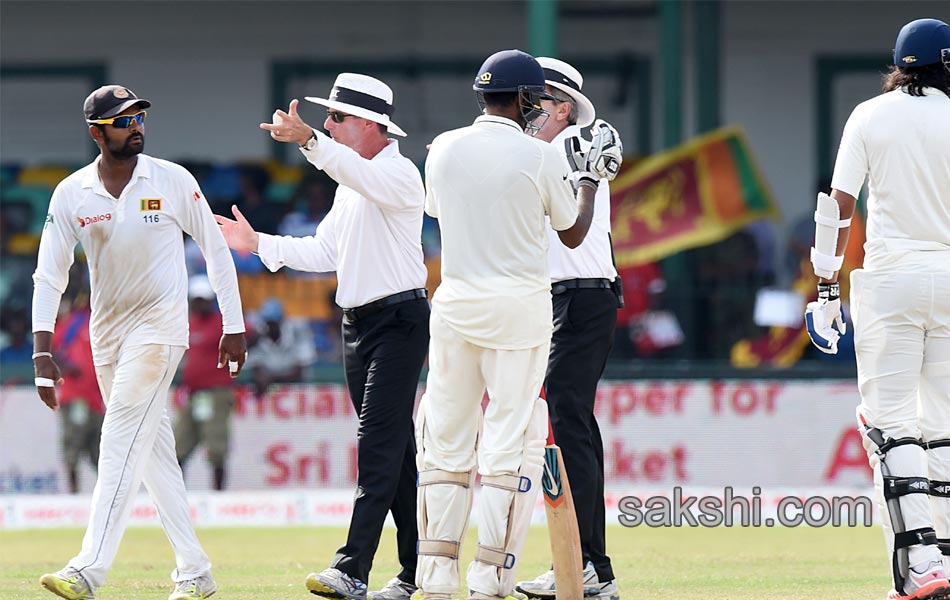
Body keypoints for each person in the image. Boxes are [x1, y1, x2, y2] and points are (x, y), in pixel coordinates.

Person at [215, 73, 429, 600]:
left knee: (379, 444)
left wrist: (311, 140)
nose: (329, 126)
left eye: (337, 118)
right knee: (395, 449)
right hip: (359, 324)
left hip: (400, 321)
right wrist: (257, 242)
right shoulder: (353, 184)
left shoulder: (398, 175)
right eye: (328, 119)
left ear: (371, 125)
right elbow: (325, 253)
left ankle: (352, 567)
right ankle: (415, 571)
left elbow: (351, 171)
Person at [416, 49, 619, 600]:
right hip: (522, 310)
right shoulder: (542, 157)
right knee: (508, 444)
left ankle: (434, 579)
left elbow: (437, 209)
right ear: (528, 99)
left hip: (457, 307)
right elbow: (571, 232)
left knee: (445, 445)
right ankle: (490, 578)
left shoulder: (442, 151)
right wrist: (590, 183)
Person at [33, 84, 247, 600]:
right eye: (123, 120)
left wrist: (233, 324)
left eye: (138, 117)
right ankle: (196, 572)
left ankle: (87, 569)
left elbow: (216, 252)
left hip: (159, 330)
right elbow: (48, 274)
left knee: (120, 435)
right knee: (152, 455)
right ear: (96, 132)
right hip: (107, 335)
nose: (136, 126)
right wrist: (42, 350)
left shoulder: (172, 180)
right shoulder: (73, 193)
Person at [803, 19, 950, 600]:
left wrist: (825, 289)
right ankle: (943, 557)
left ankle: (921, 567)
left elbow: (836, 207)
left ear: (900, 66)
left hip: (892, 279)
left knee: (890, 425)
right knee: (942, 425)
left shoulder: (869, 114)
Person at [515, 57, 622, 600]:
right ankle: (588, 566)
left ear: (561, 106)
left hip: (578, 297)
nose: (526, 109)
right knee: (571, 428)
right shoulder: (562, 147)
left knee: (567, 427)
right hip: (574, 297)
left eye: (536, 100)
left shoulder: (563, 146)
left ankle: (585, 567)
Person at [174, 275, 241, 491]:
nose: (200, 304)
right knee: (178, 446)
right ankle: (176, 497)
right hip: (193, 394)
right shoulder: (187, 322)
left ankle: (218, 495)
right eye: (197, 300)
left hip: (216, 392)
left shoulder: (222, 322)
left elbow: (246, 335)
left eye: (204, 300)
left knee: (216, 446)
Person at [51, 292, 105, 494]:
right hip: (76, 397)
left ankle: (106, 496)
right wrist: (67, 366)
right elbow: (52, 348)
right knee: (73, 445)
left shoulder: (103, 322)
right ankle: (73, 495)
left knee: (100, 450)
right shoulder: (73, 322)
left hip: (96, 398)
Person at [245, 297, 316, 397]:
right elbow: (254, 367)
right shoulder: (258, 335)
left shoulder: (297, 331)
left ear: (281, 320)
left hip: (297, 390)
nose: (270, 326)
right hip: (266, 392)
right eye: (268, 322)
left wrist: (272, 379)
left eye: (274, 323)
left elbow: (300, 369)